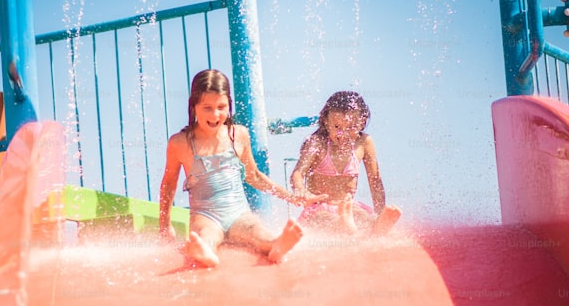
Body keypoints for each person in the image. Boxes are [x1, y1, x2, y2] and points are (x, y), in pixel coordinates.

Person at [159, 69, 325, 267]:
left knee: (256, 231)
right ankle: (204, 251)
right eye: (207, 108)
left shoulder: (239, 135)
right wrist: (165, 224)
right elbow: (169, 184)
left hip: (239, 213)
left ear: (229, 104)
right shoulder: (180, 143)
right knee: (207, 234)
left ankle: (275, 245)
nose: (215, 114)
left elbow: (254, 176)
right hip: (205, 215)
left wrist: (292, 198)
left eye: (221, 107)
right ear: (193, 106)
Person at [290, 90, 401, 235]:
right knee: (323, 219)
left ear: (362, 122)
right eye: (337, 127)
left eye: (351, 127)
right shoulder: (317, 143)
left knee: (364, 217)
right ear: (326, 121)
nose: (343, 134)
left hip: (348, 207)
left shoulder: (364, 143)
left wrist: (380, 212)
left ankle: (377, 225)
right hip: (318, 208)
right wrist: (301, 190)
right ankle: (343, 224)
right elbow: (298, 173)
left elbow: (375, 181)